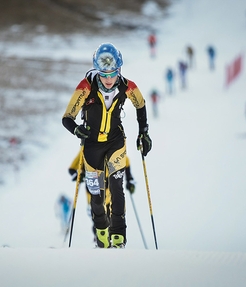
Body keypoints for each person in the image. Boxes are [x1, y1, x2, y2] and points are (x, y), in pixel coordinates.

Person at [62, 43, 152, 248]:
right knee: (96, 195)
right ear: (97, 71)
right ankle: (101, 233)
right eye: (104, 74)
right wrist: (76, 129)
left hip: (115, 142)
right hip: (92, 146)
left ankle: (119, 235)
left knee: (117, 188)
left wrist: (143, 132)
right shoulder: (86, 87)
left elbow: (141, 104)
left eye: (113, 73)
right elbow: (67, 118)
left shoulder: (127, 86)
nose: (109, 79)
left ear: (119, 70)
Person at [68, 151, 136, 242]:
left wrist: (130, 180)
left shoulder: (115, 150)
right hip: (93, 193)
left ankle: (112, 243)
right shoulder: (85, 150)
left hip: (110, 194)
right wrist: (78, 175)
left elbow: (126, 164)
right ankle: (100, 241)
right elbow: (72, 169)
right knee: (98, 218)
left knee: (113, 218)